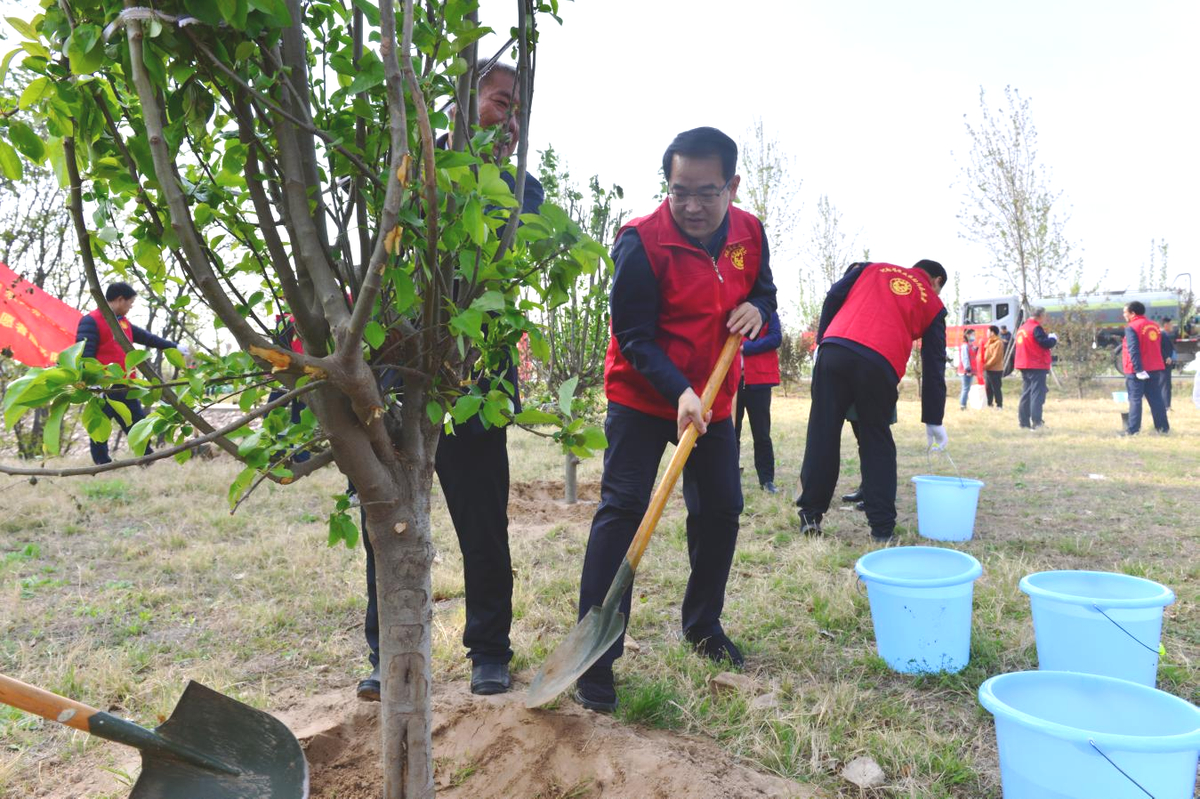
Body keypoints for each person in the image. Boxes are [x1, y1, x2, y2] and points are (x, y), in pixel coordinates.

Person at [357, 59, 544, 702]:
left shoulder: (525, 193)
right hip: (401, 377)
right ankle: (390, 652)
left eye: (519, 110)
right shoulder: (406, 174)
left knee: (484, 524)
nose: (512, 121)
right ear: (463, 105)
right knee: (389, 521)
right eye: (500, 103)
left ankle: (489, 649)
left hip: (477, 385)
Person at [573, 127, 776, 713]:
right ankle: (596, 658)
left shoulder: (750, 233)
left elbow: (765, 295)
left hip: (712, 398)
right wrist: (678, 391)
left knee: (720, 508)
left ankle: (702, 625)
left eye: (706, 193)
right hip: (641, 397)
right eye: (678, 190)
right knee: (623, 510)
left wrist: (757, 311)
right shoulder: (640, 242)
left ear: (732, 186)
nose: (689, 206)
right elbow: (633, 337)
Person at [795, 260, 948, 543]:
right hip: (880, 362)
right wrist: (933, 418)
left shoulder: (873, 268)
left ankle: (810, 515)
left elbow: (833, 295)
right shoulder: (933, 304)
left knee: (822, 431)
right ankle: (881, 528)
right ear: (936, 281)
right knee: (876, 439)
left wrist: (822, 340)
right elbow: (934, 363)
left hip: (836, 348)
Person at [75, 282, 183, 465]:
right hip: (104, 387)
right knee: (100, 425)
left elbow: (147, 338)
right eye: (130, 303)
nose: (130, 307)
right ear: (119, 300)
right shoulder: (91, 321)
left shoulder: (123, 322)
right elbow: (84, 353)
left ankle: (147, 458)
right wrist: (91, 382)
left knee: (137, 422)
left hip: (126, 385)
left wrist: (174, 347)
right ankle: (102, 464)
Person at [736, 309, 781, 493]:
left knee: (762, 433)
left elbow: (775, 338)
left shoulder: (768, 312)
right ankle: (729, 476)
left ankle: (767, 480)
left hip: (759, 381)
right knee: (731, 432)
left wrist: (745, 348)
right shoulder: (731, 309)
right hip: (732, 383)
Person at [1120, 301, 1168, 435]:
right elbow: (1158, 346)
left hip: (1137, 370)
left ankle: (1133, 430)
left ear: (1132, 313)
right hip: (1154, 368)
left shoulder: (1132, 327)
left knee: (1135, 399)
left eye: (1125, 312)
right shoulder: (1154, 326)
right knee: (1156, 399)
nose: (1124, 315)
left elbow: (1133, 350)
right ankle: (1163, 428)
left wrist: (1138, 369)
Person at [1014, 308, 1056, 429]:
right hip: (1036, 364)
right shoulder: (1035, 328)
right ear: (1041, 316)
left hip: (1024, 364)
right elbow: (1044, 343)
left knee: (1026, 394)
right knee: (1037, 395)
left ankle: (1023, 423)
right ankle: (1037, 422)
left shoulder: (1022, 328)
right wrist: (1053, 339)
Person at [981, 325, 1004, 408]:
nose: (986, 333)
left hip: (996, 370)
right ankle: (989, 403)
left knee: (996, 388)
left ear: (992, 332)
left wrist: (986, 366)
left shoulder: (999, 343)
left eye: (988, 331)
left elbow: (995, 357)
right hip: (988, 369)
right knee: (988, 388)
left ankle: (999, 405)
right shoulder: (989, 342)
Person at [956, 328, 977, 410]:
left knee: (966, 388)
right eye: (972, 334)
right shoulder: (965, 345)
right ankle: (962, 405)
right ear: (967, 335)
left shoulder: (970, 345)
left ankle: (963, 403)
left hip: (969, 370)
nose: (974, 336)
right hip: (966, 370)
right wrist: (967, 369)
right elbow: (965, 358)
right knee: (966, 388)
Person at [1160, 317, 1177, 410]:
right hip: (1164, 363)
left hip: (1167, 363)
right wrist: (1166, 357)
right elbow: (1159, 348)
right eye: (1171, 324)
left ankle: (1166, 405)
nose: (1172, 326)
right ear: (1166, 325)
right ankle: (1166, 406)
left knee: (1166, 385)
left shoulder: (1165, 334)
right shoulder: (1161, 334)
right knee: (1165, 385)